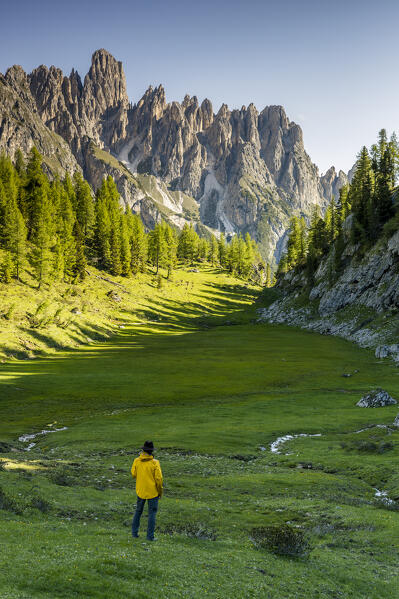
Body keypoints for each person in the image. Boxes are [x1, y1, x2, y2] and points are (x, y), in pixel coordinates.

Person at [131, 440, 163, 541]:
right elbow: (159, 479)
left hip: (140, 490)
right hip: (152, 492)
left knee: (138, 511)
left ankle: (134, 533)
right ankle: (150, 536)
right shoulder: (155, 463)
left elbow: (133, 474)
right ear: (152, 451)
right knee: (152, 513)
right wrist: (160, 492)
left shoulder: (137, 460)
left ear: (143, 450)